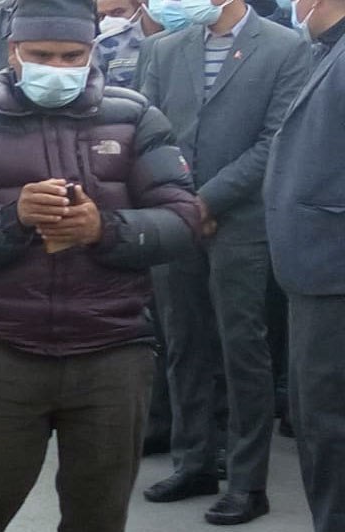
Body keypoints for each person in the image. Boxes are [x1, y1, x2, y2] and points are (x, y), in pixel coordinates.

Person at [0, 0, 200, 527]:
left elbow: (183, 220)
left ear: (92, 52)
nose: (58, 68)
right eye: (42, 55)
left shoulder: (135, 117)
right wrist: (15, 218)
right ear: (13, 52)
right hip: (6, 350)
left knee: (98, 514)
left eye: (72, 56)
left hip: (113, 350)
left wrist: (103, 229)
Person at [136, 0, 309, 524]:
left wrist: (208, 202)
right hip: (175, 218)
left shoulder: (286, 49)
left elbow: (275, 141)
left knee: (242, 349)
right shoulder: (163, 49)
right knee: (182, 340)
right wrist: (179, 202)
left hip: (243, 222)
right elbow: (146, 134)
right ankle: (193, 461)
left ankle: (248, 480)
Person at [263, 0, 345, 529]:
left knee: (330, 424)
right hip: (316, 268)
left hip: (333, 271)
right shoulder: (325, 50)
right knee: (319, 421)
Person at [92, 0, 163, 88]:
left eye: (118, 12)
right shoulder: (103, 45)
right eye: (101, 16)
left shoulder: (178, 42)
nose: (107, 20)